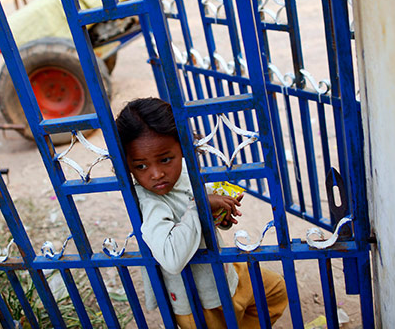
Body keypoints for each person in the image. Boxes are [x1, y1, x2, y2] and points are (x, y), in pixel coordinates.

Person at [116, 98, 288, 329]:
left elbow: (203, 207)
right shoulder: (150, 201)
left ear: (183, 148)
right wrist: (201, 207)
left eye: (165, 159)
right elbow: (171, 258)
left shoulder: (184, 171)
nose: (156, 174)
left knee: (275, 290)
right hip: (198, 299)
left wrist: (219, 215)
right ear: (127, 164)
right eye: (141, 166)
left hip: (222, 270)